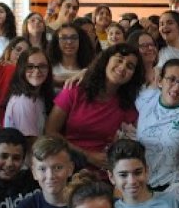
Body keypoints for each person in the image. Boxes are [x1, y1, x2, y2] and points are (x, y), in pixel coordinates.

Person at [46, 43, 143, 174]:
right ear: (106, 61)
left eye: (130, 66)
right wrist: (88, 156)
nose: (122, 67)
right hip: (68, 168)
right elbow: (50, 132)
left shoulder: (126, 104)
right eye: (119, 60)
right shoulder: (75, 90)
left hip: (103, 173)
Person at [136, 59, 179, 188]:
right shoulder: (145, 99)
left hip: (172, 185)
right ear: (160, 81)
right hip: (140, 183)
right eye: (171, 79)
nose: (176, 87)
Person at [3, 47, 55, 145]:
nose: (36, 71)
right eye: (30, 67)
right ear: (21, 69)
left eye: (42, 66)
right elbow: (32, 145)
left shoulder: (38, 96)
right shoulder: (24, 101)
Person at [47, 21, 94, 88]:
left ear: (80, 41)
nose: (69, 42)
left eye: (74, 38)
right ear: (57, 42)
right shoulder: (49, 67)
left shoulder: (90, 66)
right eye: (64, 38)